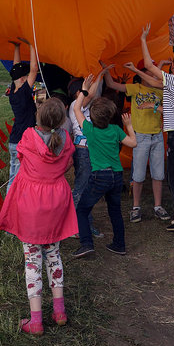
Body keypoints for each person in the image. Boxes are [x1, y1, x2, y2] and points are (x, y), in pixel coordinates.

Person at [0, 98, 77, 335]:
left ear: (37, 117)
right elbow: (67, 165)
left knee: (32, 259)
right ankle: (59, 310)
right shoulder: (66, 140)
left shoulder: (29, 137)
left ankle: (36, 321)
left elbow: (21, 158)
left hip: (32, 204)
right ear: (63, 121)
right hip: (56, 201)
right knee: (53, 253)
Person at [126, 24, 174, 241]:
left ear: (173, 68)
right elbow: (151, 81)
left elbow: (150, 66)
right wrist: (136, 72)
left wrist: (143, 39)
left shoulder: (173, 82)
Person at [72, 73, 137, 258]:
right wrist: (129, 125)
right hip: (116, 177)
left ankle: (86, 244)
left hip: (99, 176)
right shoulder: (116, 130)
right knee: (115, 210)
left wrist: (84, 89)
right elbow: (133, 143)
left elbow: (77, 108)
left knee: (82, 209)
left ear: (91, 117)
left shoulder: (89, 130)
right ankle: (119, 244)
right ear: (111, 116)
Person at [103, 63, 169, 222]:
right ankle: (136, 207)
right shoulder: (135, 88)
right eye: (150, 72)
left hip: (157, 137)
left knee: (158, 174)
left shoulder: (160, 90)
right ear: (143, 74)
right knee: (138, 175)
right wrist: (105, 70)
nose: (154, 75)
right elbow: (112, 84)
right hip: (140, 137)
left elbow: (168, 111)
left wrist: (153, 106)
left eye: (155, 72)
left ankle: (158, 206)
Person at [67, 73, 105, 238]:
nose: (89, 93)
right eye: (85, 90)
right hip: (83, 151)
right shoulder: (77, 104)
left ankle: (86, 224)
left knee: (86, 188)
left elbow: (92, 95)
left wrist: (100, 76)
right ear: (78, 93)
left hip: (88, 150)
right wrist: (100, 76)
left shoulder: (83, 106)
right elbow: (89, 96)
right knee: (81, 188)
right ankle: (76, 227)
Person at [6, 41, 39, 192]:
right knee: (17, 180)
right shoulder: (24, 92)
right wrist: (32, 45)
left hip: (14, 140)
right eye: (26, 77)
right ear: (23, 80)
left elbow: (15, 68)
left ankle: (12, 203)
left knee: (13, 177)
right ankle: (12, 207)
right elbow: (34, 69)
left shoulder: (13, 91)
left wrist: (16, 47)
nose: (29, 78)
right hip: (23, 143)